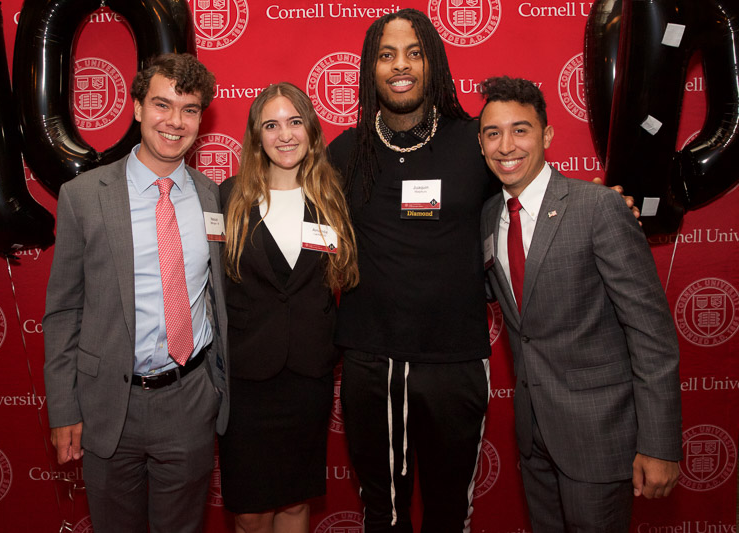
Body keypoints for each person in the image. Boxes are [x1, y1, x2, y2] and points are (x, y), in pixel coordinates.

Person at [477, 75, 682, 532]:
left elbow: (651, 334)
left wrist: (661, 444)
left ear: (547, 136)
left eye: (521, 129)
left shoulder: (598, 208)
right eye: (493, 133)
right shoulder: (489, 217)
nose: (506, 145)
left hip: (599, 436)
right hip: (533, 438)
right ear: (482, 143)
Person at [43, 53, 229, 533]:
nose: (175, 121)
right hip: (108, 403)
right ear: (138, 108)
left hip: (188, 399)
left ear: (201, 118)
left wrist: (215, 388)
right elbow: (64, 310)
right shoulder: (84, 196)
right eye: (162, 105)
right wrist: (64, 406)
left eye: (190, 110)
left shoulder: (216, 198)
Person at [327, 9, 494, 531]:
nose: (401, 66)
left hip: (454, 359)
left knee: (448, 513)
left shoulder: (475, 143)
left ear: (434, 64)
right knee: (384, 514)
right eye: (386, 54)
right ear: (370, 69)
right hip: (371, 362)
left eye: (414, 53)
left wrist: (611, 202)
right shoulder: (345, 151)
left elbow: (531, 195)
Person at [217, 82, 358, 533]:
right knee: (251, 512)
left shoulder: (334, 199)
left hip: (307, 378)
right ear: (256, 135)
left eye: (295, 122)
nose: (285, 135)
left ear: (312, 131)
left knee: (296, 504)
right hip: (247, 381)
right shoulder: (227, 198)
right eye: (271, 124)